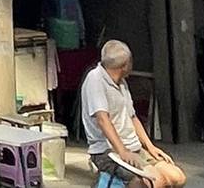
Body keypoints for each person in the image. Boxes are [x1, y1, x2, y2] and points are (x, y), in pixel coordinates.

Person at [79, 39, 186, 187]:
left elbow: (132, 117)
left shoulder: (122, 83)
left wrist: (150, 147)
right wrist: (122, 151)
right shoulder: (95, 79)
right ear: (125, 65)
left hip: (134, 147)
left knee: (177, 177)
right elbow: (103, 119)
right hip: (109, 151)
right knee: (155, 182)